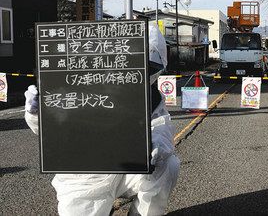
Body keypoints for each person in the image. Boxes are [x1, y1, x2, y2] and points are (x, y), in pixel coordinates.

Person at [24, 25, 180, 216]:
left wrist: (157, 146)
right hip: (84, 176)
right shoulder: (77, 82)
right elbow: (49, 129)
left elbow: (161, 124)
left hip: (128, 168)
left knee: (167, 165)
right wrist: (37, 114)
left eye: (146, 68)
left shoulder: (151, 96)